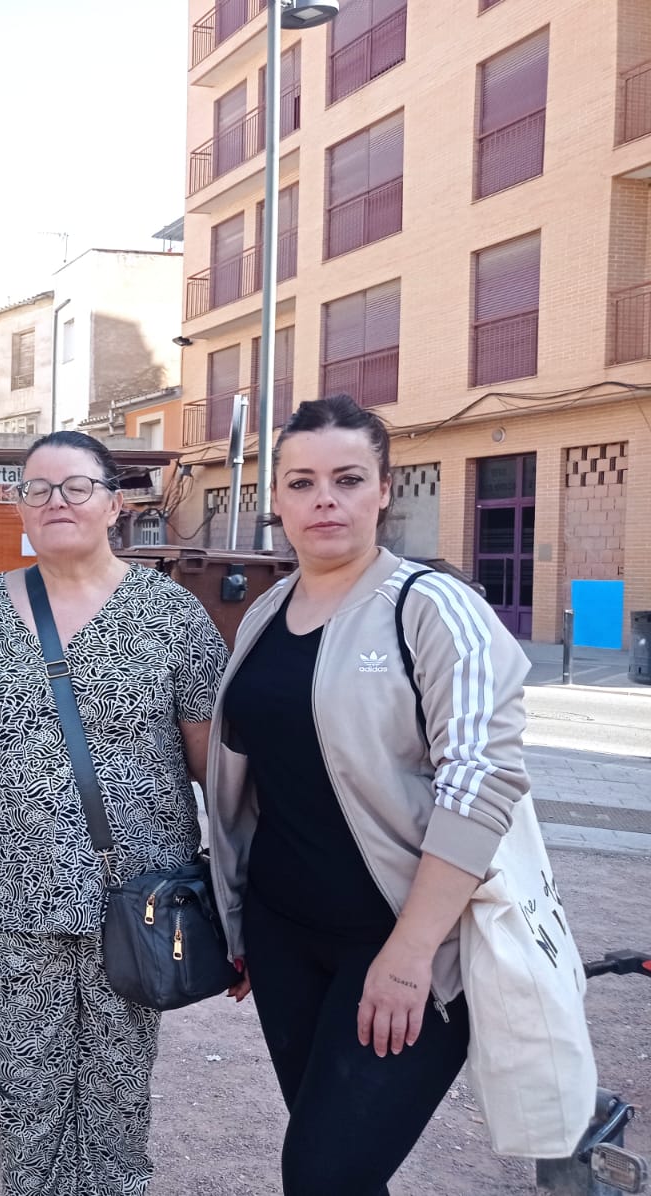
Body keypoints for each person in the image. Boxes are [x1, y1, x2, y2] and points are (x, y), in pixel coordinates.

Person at [205, 396, 529, 1195]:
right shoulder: (267, 613)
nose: (325, 499)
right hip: (285, 940)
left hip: (399, 942)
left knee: (321, 1174)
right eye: (303, 482)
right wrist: (238, 917)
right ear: (275, 499)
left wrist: (411, 956)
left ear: (385, 489)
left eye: (349, 479)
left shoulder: (433, 607)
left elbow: (482, 778)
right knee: (339, 1173)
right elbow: (252, 779)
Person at [0, 430, 228, 1196]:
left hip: (141, 901)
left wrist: (237, 899)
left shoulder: (171, 615)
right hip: (14, 896)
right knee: (22, 1092)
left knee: (117, 1093)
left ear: (115, 504)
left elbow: (218, 769)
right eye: (38, 489)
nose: (56, 503)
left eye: (76, 487)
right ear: (20, 507)